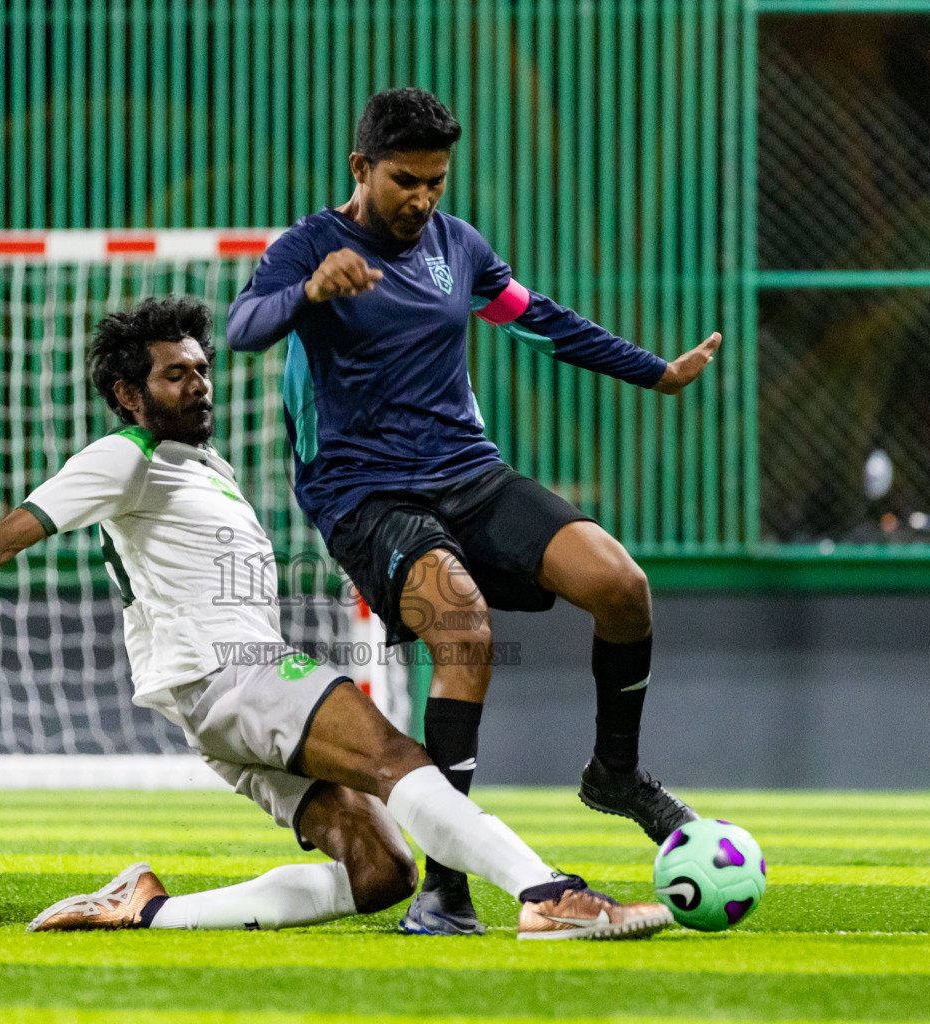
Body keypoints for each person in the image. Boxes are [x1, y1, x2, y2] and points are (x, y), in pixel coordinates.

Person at [0, 297, 673, 940]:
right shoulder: (122, 456)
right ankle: (547, 896)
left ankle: (147, 909)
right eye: (176, 374)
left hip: (213, 705)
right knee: (400, 758)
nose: (200, 384)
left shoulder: (200, 463)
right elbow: (12, 531)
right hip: (235, 673)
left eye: (203, 368)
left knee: (379, 872)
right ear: (127, 392)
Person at [227, 87, 720, 933]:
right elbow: (242, 327)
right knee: (465, 629)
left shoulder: (458, 247)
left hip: (471, 474)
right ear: (362, 169)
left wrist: (655, 372)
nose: (422, 198)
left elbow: (542, 325)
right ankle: (444, 886)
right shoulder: (309, 245)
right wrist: (309, 291)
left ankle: (616, 773)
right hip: (367, 494)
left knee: (621, 584)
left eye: (437, 182)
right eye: (406, 181)